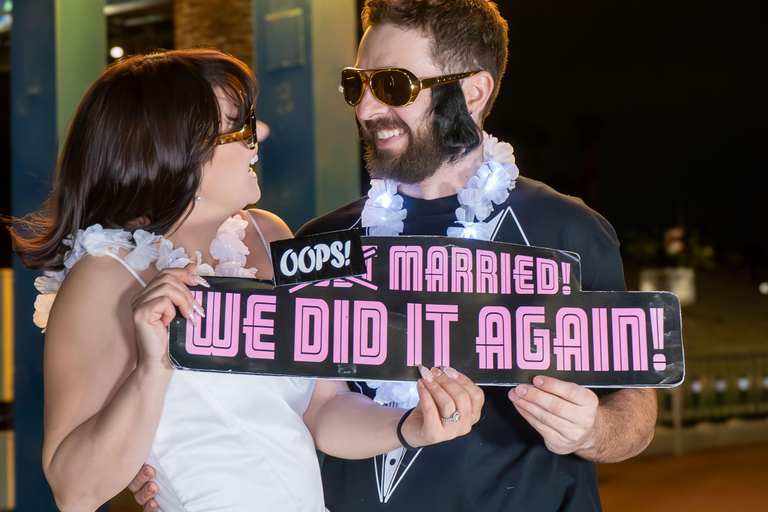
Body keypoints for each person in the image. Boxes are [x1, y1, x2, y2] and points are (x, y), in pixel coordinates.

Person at [132, 1, 657, 510]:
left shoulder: (566, 230)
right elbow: (287, 403)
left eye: (394, 86)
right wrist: (161, 463)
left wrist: (593, 430)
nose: (365, 108)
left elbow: (635, 407)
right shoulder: (321, 240)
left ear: (472, 91)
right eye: (356, 84)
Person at [9, 48, 484, 511]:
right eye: (239, 126)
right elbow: (74, 492)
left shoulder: (267, 233)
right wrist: (153, 370)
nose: (261, 132)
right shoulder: (105, 277)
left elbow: (320, 409)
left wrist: (411, 427)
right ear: (176, 153)